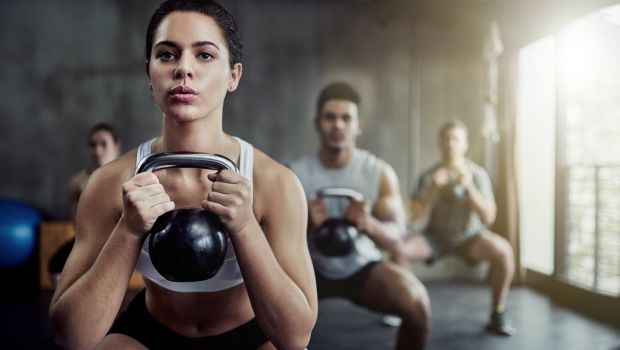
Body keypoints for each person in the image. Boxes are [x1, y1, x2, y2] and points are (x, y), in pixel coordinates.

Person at [49, 1, 317, 349]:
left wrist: (245, 226)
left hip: (250, 334)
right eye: (167, 55)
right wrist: (129, 229)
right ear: (149, 73)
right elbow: (73, 336)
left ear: (233, 75)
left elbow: (296, 338)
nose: (183, 69)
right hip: (152, 331)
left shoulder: (276, 184)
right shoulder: (110, 183)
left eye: (204, 55)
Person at [290, 82, 430, 350]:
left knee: (417, 304)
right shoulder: (294, 173)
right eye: (330, 117)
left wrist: (369, 224)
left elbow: (397, 237)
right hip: (309, 268)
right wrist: (305, 224)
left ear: (358, 126)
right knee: (255, 311)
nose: (338, 125)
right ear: (318, 124)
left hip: (360, 267)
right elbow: (274, 239)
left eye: (346, 118)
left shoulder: (378, 172)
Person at [393, 119, 517, 336]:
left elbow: (489, 216)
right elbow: (413, 218)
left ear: (465, 144)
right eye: (446, 139)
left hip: (470, 238)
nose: (451, 144)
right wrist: (432, 189)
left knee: (504, 251)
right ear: (440, 144)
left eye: (456, 139)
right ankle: (407, 307)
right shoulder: (428, 176)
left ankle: (498, 314)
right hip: (435, 238)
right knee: (398, 249)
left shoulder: (477, 175)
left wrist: (469, 188)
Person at [49, 123, 122, 286]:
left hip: (119, 240)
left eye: (103, 144)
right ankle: (66, 308)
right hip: (88, 239)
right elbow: (76, 223)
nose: (97, 151)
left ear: (116, 147)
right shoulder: (78, 181)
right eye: (92, 145)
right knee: (56, 266)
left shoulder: (126, 175)